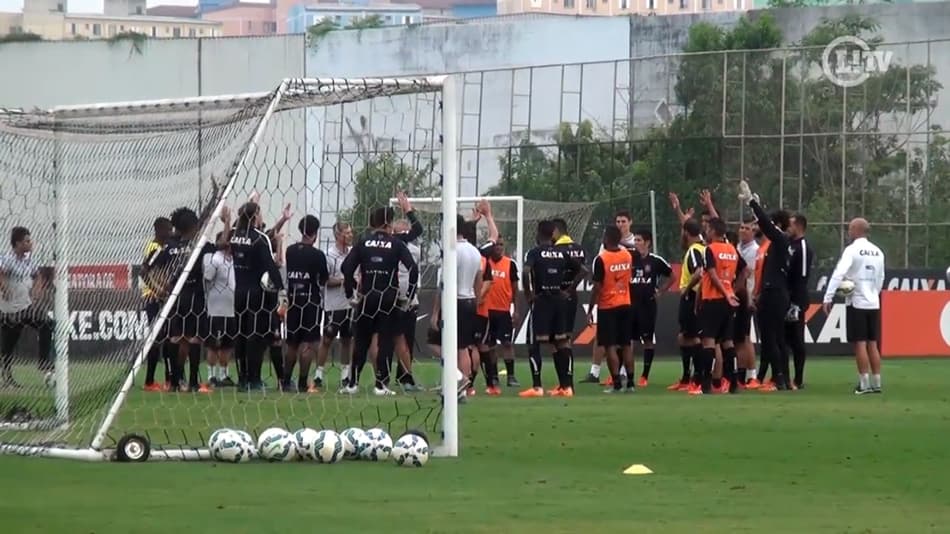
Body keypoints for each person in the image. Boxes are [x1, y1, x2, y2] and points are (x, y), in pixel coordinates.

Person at [341, 206, 418, 396]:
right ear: (388, 223)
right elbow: (413, 269)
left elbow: (346, 268)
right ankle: (381, 385)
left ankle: (353, 383)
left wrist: (351, 294)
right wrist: (408, 295)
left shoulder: (363, 242)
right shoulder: (396, 243)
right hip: (388, 298)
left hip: (367, 298)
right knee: (385, 341)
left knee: (361, 341)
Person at [147, 208, 218, 393]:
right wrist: (225, 222)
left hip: (176, 296)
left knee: (176, 338)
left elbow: (146, 268)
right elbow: (223, 245)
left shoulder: (169, 247)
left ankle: (176, 381)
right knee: (194, 338)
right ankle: (193, 383)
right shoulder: (200, 245)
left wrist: (159, 289)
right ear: (193, 227)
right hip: (196, 295)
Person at [519, 220, 586, 398]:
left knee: (534, 343)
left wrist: (528, 294)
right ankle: (567, 387)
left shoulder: (535, 252)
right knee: (561, 342)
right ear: (553, 235)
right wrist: (568, 290)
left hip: (543, 300)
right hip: (559, 300)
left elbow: (526, 272)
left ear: (538, 234)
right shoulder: (561, 252)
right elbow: (583, 271)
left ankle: (537, 387)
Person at [738, 180, 792, 392]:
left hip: (775, 294)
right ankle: (782, 379)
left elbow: (766, 225)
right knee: (775, 338)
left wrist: (752, 202)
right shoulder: (772, 243)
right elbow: (763, 224)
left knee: (772, 339)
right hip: (770, 292)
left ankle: (779, 380)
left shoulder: (779, 239)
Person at [822, 217, 885, 395]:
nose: (848, 232)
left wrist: (828, 296)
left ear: (857, 230)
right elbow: (880, 278)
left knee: (860, 343)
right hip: (873, 302)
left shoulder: (852, 250)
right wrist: (873, 292)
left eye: (850, 229)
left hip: (857, 302)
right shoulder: (878, 252)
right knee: (873, 344)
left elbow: (839, 273)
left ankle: (864, 384)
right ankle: (877, 382)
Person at [230, 201, 285, 392]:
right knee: (256, 337)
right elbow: (270, 266)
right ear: (255, 217)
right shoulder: (259, 239)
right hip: (257, 294)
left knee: (241, 335)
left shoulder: (235, 237)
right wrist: (281, 289)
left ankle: (242, 379)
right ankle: (254, 379)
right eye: (259, 214)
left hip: (239, 292)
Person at [693, 218, 747, 395]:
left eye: (708, 229)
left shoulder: (710, 249)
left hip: (713, 300)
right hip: (727, 302)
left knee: (708, 342)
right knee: (727, 342)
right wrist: (732, 290)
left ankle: (706, 384)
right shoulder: (732, 249)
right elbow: (745, 271)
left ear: (714, 231)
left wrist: (724, 291)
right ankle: (733, 383)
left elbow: (712, 274)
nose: (706, 232)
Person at [583, 210, 633, 384]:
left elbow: (597, 287)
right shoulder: (627, 255)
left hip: (607, 305)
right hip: (625, 302)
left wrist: (590, 309)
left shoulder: (602, 258)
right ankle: (630, 381)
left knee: (610, 345)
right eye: (618, 221)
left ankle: (617, 382)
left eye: (623, 221)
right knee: (626, 344)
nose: (621, 224)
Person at [282, 215, 330, 393]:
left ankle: (286, 381)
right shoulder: (317, 255)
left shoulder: (290, 251)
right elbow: (324, 279)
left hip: (294, 300)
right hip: (311, 301)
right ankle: (303, 382)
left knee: (292, 343)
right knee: (308, 343)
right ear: (315, 233)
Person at [0, 226, 52, 388]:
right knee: (8, 345)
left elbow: (38, 276)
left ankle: (43, 363)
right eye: (27, 241)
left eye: (30, 240)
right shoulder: (7, 259)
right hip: (9, 311)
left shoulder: (29, 261)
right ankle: (6, 378)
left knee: (47, 323)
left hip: (25, 307)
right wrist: (4, 288)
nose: (31, 243)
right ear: (18, 243)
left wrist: (36, 290)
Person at [629, 229, 673, 387]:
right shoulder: (629, 258)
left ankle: (644, 376)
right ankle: (626, 374)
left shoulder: (655, 260)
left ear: (647, 242)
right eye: (635, 240)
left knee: (647, 339)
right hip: (629, 303)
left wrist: (661, 291)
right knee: (627, 341)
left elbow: (672, 275)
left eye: (639, 240)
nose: (636, 243)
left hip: (647, 305)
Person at [476, 238, 520, 395]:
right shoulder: (484, 262)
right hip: (487, 310)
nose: (498, 248)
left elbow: (515, 288)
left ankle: (511, 375)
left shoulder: (510, 264)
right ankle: (493, 375)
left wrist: (516, 309)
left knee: (507, 343)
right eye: (496, 245)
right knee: (490, 345)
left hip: (503, 310)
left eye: (501, 245)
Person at [551, 217, 586, 390]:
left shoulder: (557, 249)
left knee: (560, 340)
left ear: (556, 231)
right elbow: (582, 271)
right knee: (565, 338)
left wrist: (565, 290)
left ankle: (567, 384)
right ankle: (564, 384)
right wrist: (572, 289)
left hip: (559, 297)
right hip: (572, 297)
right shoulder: (579, 249)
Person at [317, 222, 353, 388]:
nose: (350, 235)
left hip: (349, 304)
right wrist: (344, 281)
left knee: (347, 339)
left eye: (350, 232)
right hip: (333, 304)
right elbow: (325, 281)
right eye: (346, 233)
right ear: (338, 235)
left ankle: (346, 376)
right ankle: (318, 375)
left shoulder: (353, 253)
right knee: (327, 339)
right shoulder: (328, 255)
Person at [202, 219, 237, 389]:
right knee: (213, 344)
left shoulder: (233, 260)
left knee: (227, 345)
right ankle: (211, 376)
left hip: (230, 309)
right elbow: (207, 278)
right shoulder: (215, 259)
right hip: (216, 309)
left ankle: (224, 376)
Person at [141, 216, 174, 392]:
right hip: (153, 299)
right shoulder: (155, 248)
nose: (170, 233)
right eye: (168, 230)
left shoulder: (163, 247)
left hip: (159, 298)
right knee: (159, 339)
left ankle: (162, 380)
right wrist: (159, 290)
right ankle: (150, 381)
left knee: (164, 337)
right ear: (159, 230)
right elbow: (144, 272)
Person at [672, 219, 705, 391]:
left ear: (686, 233)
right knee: (684, 337)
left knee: (693, 338)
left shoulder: (694, 250)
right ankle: (687, 378)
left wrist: (686, 290)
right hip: (698, 297)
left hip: (693, 297)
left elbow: (699, 272)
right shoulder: (703, 247)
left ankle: (697, 378)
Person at [786, 213, 814, 390]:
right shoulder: (790, 244)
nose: (788, 228)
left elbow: (802, 276)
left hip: (795, 300)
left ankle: (798, 378)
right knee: (785, 339)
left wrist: (795, 302)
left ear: (798, 226)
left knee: (796, 339)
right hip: (786, 297)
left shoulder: (803, 247)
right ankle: (784, 377)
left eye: (790, 225)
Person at [734, 216, 760, 388]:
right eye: (741, 227)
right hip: (738, 296)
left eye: (747, 228)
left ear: (754, 231)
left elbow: (749, 273)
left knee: (744, 338)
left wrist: (750, 298)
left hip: (747, 296)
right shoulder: (738, 247)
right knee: (740, 337)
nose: (743, 230)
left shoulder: (755, 250)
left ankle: (751, 374)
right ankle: (744, 374)